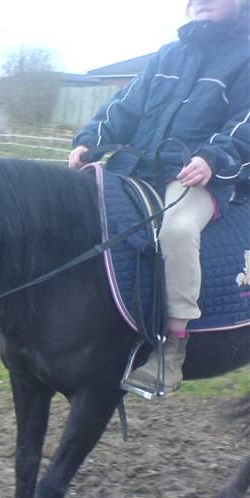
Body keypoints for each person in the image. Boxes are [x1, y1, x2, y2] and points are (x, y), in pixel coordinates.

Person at [69, 0, 250, 393]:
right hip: (137, 167)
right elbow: (124, 107)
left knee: (178, 230)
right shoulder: (168, 54)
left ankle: (172, 351)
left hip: (198, 175)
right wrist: (90, 142)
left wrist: (213, 158)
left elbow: (247, 119)